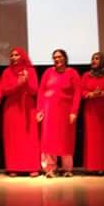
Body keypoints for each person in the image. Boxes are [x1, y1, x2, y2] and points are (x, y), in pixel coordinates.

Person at [37, 49, 81, 177]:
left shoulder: (72, 73)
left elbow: (77, 94)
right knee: (49, 138)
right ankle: (50, 168)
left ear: (65, 59)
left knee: (65, 138)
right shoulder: (48, 72)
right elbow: (41, 91)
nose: (57, 59)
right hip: (49, 110)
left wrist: (74, 111)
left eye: (59, 57)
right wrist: (39, 110)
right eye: (54, 57)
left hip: (65, 111)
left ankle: (67, 168)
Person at [1, 47, 40, 177]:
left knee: (29, 137)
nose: (13, 57)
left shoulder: (31, 71)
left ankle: (32, 166)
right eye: (12, 55)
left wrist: (27, 82)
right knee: (13, 138)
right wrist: (17, 85)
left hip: (28, 107)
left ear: (22, 56)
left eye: (16, 55)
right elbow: (4, 91)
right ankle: (13, 167)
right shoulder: (7, 72)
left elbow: (34, 91)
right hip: (11, 108)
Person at [81, 52, 104, 174]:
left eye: (96, 59)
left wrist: (103, 94)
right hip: (91, 112)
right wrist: (90, 94)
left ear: (102, 61)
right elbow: (81, 91)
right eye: (92, 58)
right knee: (92, 140)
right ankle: (92, 167)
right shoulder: (86, 75)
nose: (93, 61)